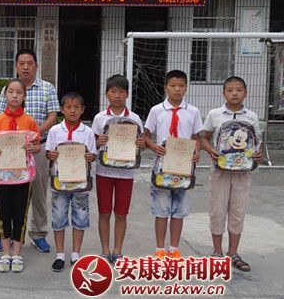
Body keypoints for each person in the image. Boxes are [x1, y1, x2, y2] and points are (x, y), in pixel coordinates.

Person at [0, 49, 60, 253]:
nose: (25, 67)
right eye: (21, 63)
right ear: (16, 66)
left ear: (36, 66)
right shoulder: (8, 88)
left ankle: (38, 234)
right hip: (10, 151)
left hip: (37, 148)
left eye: (29, 63)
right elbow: (0, 116)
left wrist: (33, 134)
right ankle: (5, 235)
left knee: (39, 193)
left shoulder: (47, 88)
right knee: (8, 193)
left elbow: (53, 116)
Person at [200, 76, 262, 271]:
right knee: (217, 209)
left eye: (239, 89)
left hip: (243, 172)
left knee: (238, 210)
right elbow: (204, 137)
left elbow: (256, 142)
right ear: (223, 93)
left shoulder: (251, 117)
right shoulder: (215, 114)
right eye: (230, 90)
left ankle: (233, 253)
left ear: (246, 93)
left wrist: (258, 154)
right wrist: (210, 150)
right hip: (220, 171)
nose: (235, 93)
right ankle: (217, 252)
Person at [144, 70, 201, 260]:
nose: (177, 89)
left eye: (181, 86)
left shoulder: (193, 111)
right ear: (166, 88)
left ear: (186, 88)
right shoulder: (156, 110)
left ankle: (174, 248)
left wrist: (197, 152)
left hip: (184, 167)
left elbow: (196, 137)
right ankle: (160, 248)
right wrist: (153, 146)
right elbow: (146, 135)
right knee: (161, 209)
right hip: (162, 166)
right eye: (173, 85)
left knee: (179, 210)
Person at [0, 79, 40, 273]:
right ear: (5, 95)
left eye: (19, 92)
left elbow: (37, 146)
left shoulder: (30, 121)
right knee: (3, 213)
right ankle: (5, 252)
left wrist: (32, 147)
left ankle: (17, 253)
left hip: (23, 175)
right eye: (11, 92)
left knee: (20, 213)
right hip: (2, 176)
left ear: (24, 96)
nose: (15, 95)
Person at [91, 75, 145, 263]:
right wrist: (98, 142)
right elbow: (92, 145)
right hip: (104, 172)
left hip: (126, 173)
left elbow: (140, 145)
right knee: (104, 212)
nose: (117, 95)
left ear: (127, 94)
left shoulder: (134, 118)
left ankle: (118, 250)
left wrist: (141, 144)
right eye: (113, 91)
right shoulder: (100, 118)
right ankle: (105, 250)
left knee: (121, 214)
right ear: (106, 93)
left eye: (121, 92)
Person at [45, 92, 97, 272]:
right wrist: (51, 155)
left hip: (81, 182)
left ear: (83, 110)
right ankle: (60, 254)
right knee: (59, 216)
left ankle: (75, 254)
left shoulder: (88, 132)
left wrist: (90, 157)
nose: (72, 110)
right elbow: (48, 152)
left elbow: (93, 154)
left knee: (80, 217)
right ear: (62, 109)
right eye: (68, 107)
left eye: (76, 107)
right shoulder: (55, 130)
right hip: (60, 182)